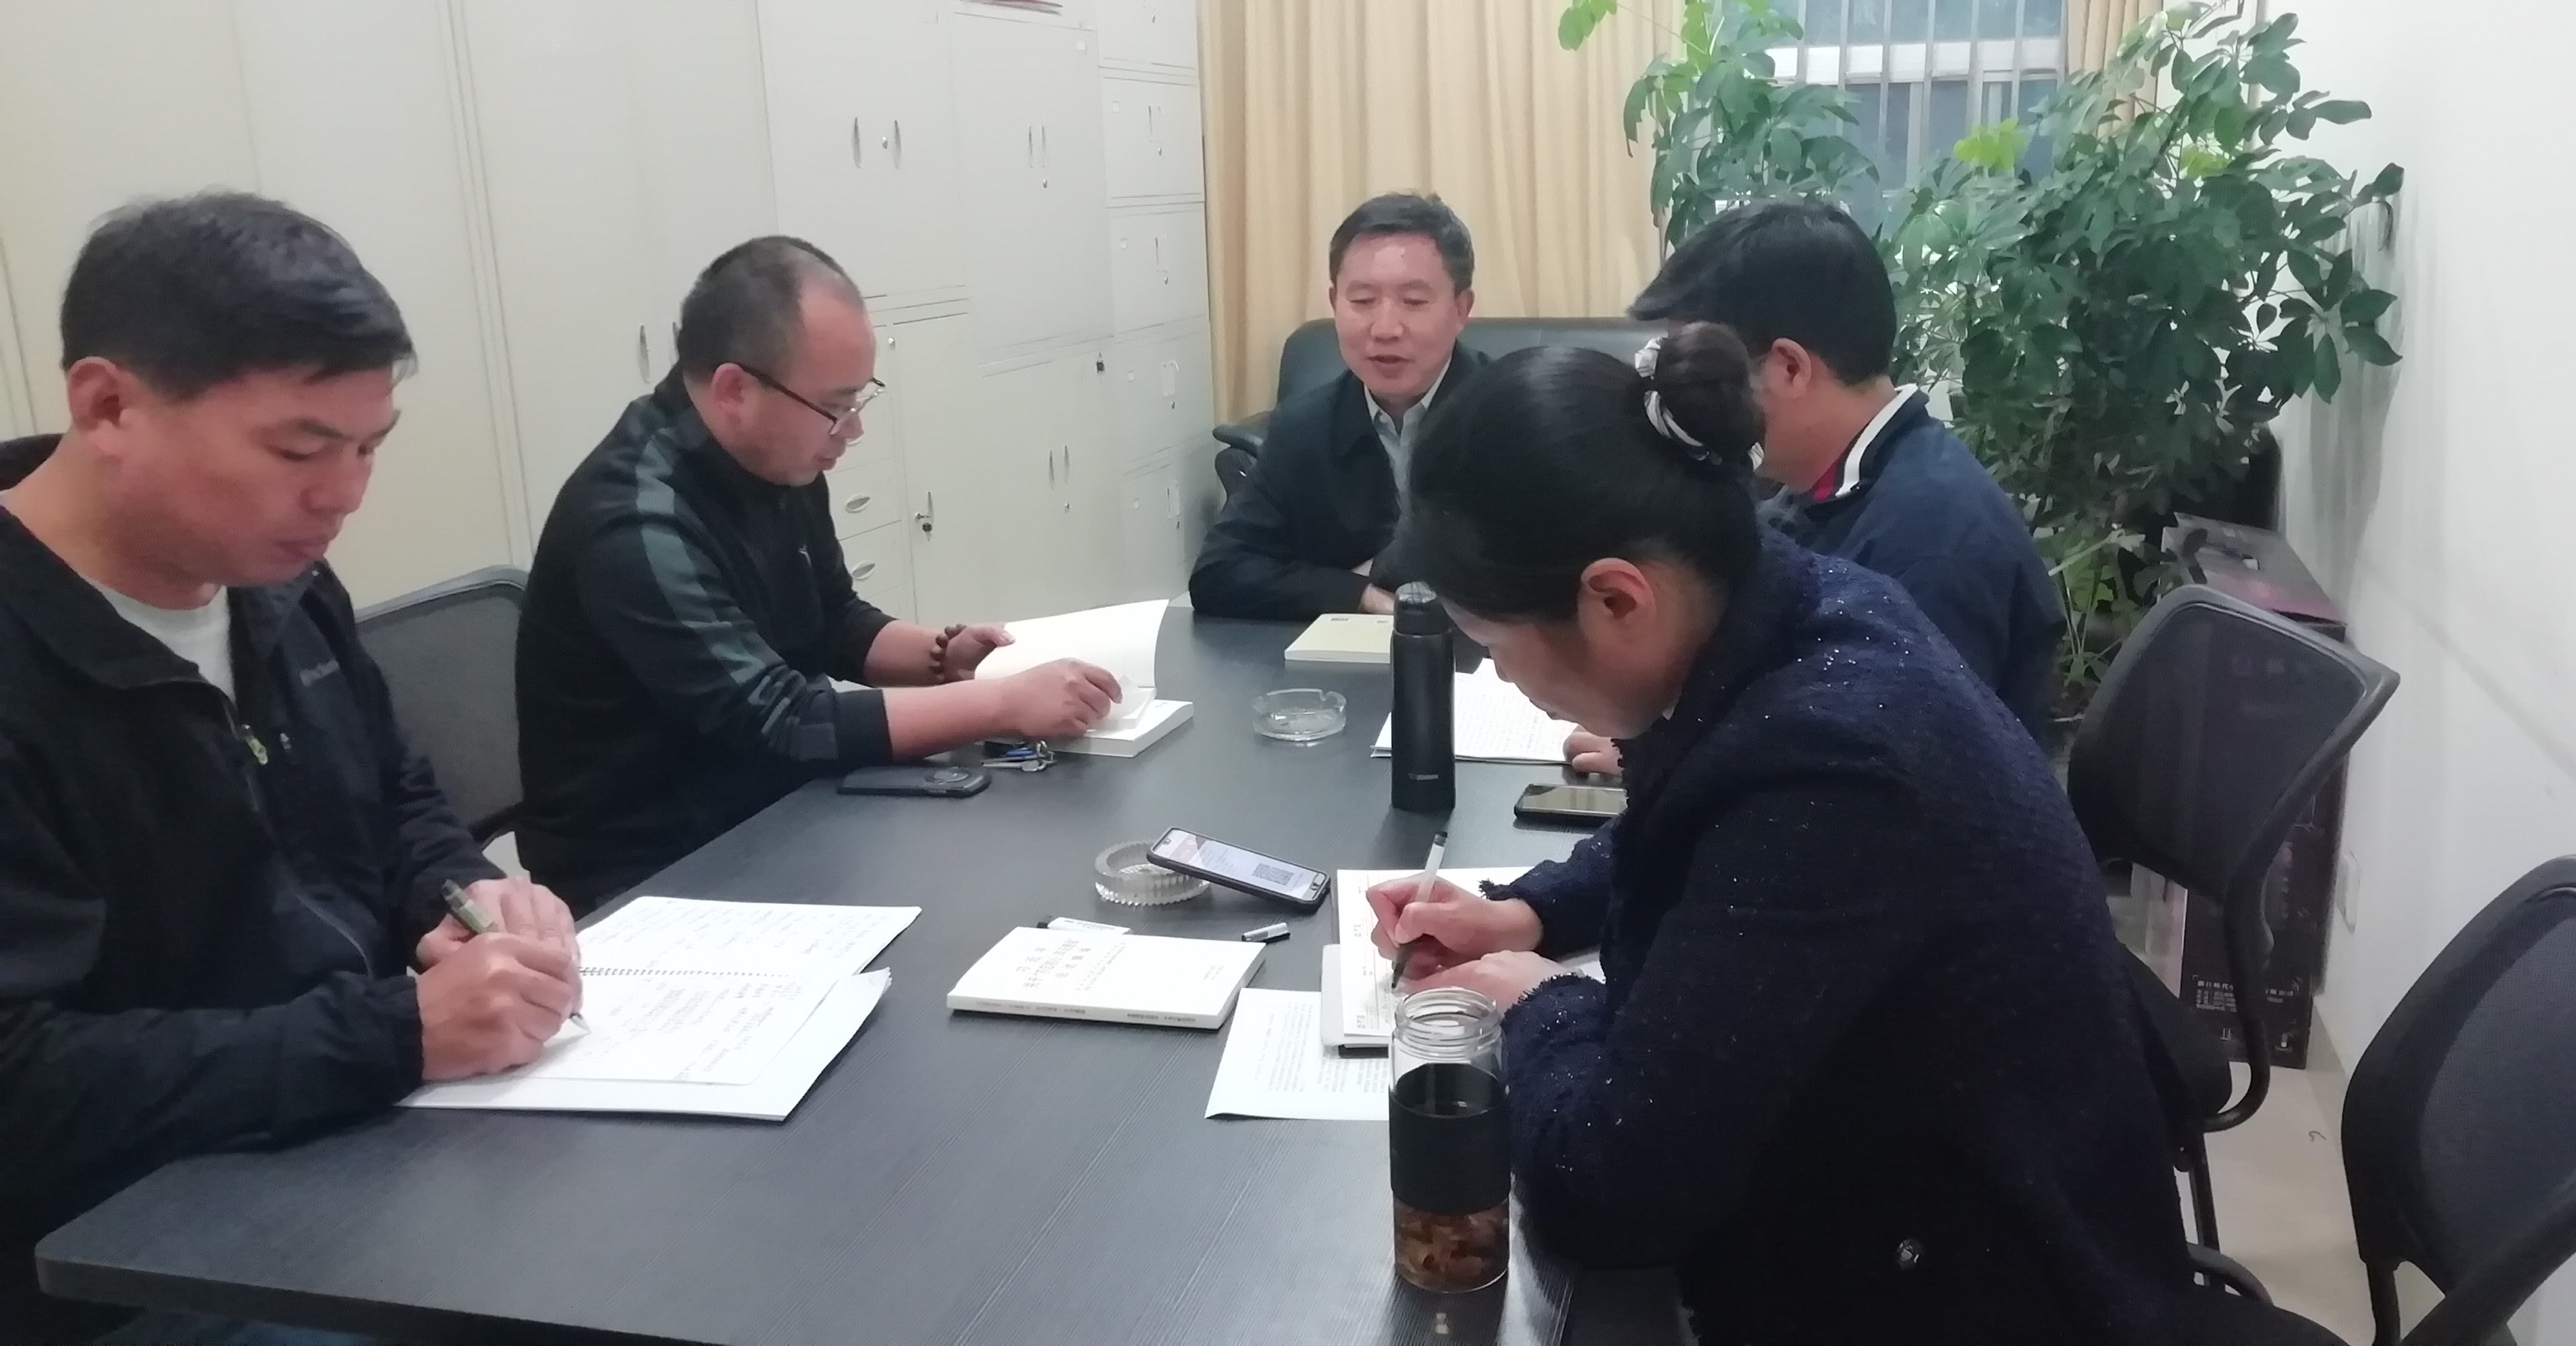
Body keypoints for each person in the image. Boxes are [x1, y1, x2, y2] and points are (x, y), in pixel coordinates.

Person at [1368, 327, 2196, 1344]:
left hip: (1976, 1290)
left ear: (1618, 597)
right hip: (1901, 1197)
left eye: (1496, 646)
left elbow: (1612, 1186)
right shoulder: (1802, 608)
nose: (1502, 676)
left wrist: (1535, 1001)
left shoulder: (1834, 766)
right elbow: (1703, 824)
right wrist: (1528, 911)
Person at [0, 193, 582, 1345]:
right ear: (107, 404)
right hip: (125, 1251)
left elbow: (397, 799)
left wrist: (467, 894)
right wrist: (398, 1034)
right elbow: (23, 1086)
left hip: (350, 1136)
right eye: (299, 450)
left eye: (368, 448)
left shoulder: (276, 584)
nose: (344, 495)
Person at [515, 238, 1120, 911]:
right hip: (654, 872)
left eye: (859, 400)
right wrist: (1002, 704)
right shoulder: (635, 523)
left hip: (774, 812)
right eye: (836, 406)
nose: (852, 430)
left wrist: (945, 655)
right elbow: (784, 722)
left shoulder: (778, 460)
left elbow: (831, 618)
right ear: (735, 389)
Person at [1563, 196, 2061, 774]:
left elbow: (1877, 775)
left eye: (1704, 377)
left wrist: (1671, 761)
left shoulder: (1932, 543)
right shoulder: (1812, 490)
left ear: (1790, 368)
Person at [1188, 193, 1484, 619]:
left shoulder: (1513, 414)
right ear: (1334, 303)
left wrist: (1382, 569)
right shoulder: (1304, 428)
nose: (1385, 329)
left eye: (1414, 302)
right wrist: (1361, 594)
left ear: (1460, 309)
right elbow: (1219, 572)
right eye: (1362, 301)